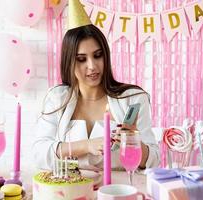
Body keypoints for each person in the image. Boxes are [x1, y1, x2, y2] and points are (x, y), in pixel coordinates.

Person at [32, 0, 159, 171]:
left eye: (98, 55)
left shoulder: (133, 98)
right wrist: (86, 145)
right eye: (81, 59)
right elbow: (39, 154)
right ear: (69, 62)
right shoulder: (57, 98)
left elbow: (154, 160)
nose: (92, 66)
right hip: (71, 192)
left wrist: (133, 141)